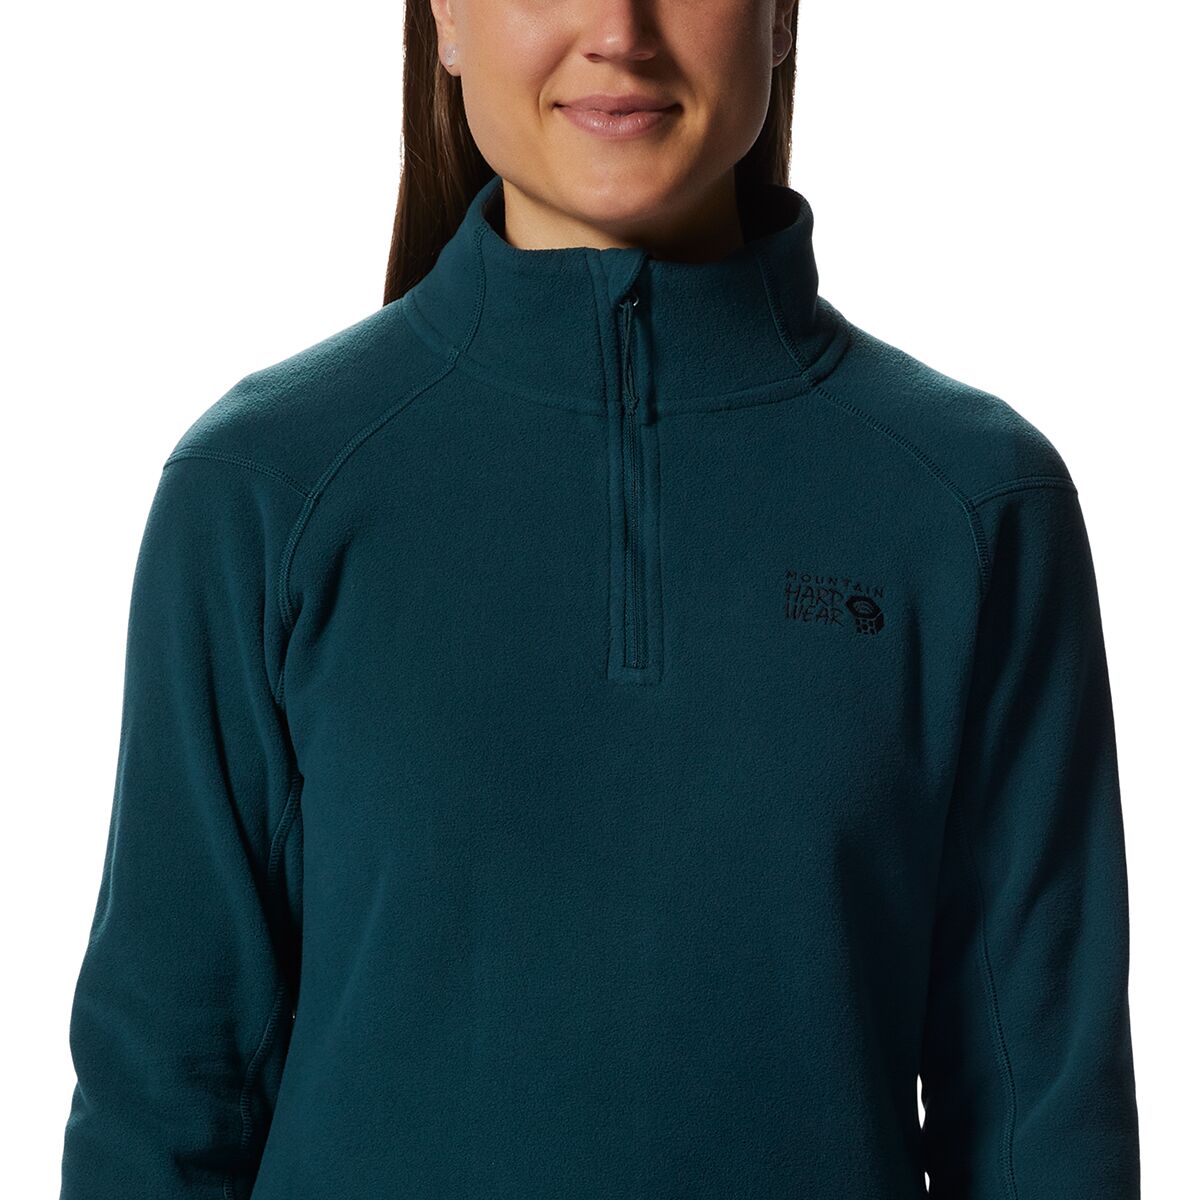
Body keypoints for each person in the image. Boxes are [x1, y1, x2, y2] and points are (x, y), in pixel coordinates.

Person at [58, 1, 1141, 1196]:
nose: (620, 30)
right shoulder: (263, 491)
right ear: (446, 18)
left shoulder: (974, 508)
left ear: (781, 15)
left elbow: (1047, 1125)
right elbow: (161, 1094)